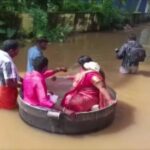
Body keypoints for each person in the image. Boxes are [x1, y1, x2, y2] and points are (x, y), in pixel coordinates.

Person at [0, 40, 21, 109]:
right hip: (6, 92)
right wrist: (23, 85)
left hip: (1, 87)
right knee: (10, 109)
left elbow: (11, 73)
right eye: (18, 49)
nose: (18, 52)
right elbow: (9, 83)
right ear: (11, 51)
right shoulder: (7, 61)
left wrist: (24, 80)